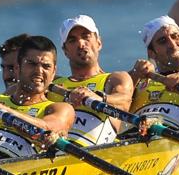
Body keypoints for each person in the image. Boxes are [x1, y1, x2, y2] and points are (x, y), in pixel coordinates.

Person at [0, 35, 75, 161]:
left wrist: (2, 108)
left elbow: (47, 129)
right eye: (32, 64)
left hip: (18, 173)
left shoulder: (60, 108)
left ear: (54, 72)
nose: (39, 71)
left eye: (46, 66)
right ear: (17, 68)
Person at [50, 14, 134, 147]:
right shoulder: (53, 83)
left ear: (99, 42)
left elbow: (124, 100)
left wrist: (98, 98)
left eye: (86, 36)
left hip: (96, 158)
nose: (81, 43)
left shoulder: (114, 79)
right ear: (65, 51)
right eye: (72, 40)